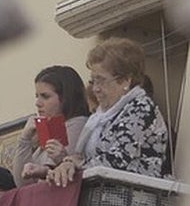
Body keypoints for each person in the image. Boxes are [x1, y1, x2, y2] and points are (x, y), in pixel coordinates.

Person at [47, 37, 169, 186]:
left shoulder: (141, 108)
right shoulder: (101, 115)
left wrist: (75, 164)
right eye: (93, 81)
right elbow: (85, 158)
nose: (95, 89)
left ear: (125, 80)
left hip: (135, 200)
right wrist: (66, 163)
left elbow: (117, 159)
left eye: (101, 80)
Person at [0, 65, 90, 190]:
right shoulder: (47, 129)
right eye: (37, 96)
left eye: (45, 96)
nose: (38, 103)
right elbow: (22, 183)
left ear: (65, 98)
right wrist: (24, 139)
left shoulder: (78, 124)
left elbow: (53, 180)